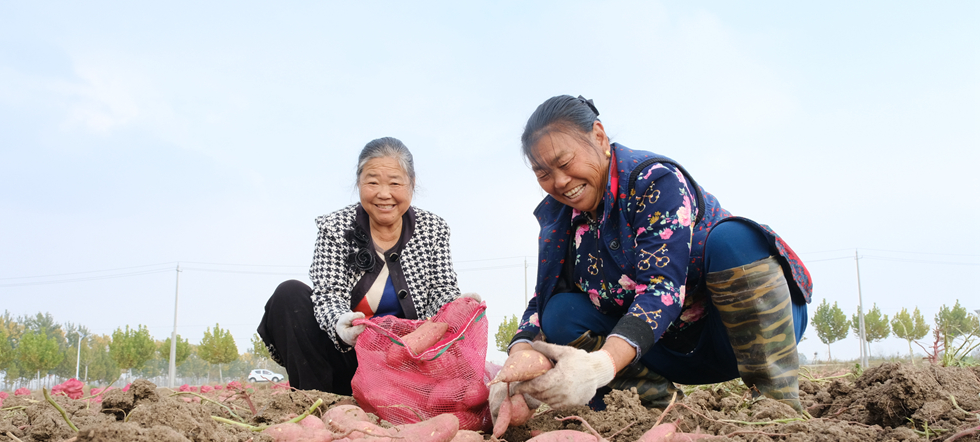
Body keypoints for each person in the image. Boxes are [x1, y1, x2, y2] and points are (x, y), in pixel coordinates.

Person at [490, 95, 812, 416]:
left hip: (742, 336)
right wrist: (518, 355)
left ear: (599, 137)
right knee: (559, 312)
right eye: (543, 173)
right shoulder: (561, 219)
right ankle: (652, 409)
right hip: (667, 353)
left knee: (734, 240)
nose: (559, 182)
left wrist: (600, 366)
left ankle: (777, 405)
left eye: (564, 162)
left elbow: (662, 291)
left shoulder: (654, 182)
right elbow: (542, 299)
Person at [258, 137, 474, 395]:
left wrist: (455, 306)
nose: (384, 194)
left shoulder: (433, 229)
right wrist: (341, 325)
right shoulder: (336, 227)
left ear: (412, 184)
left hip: (406, 366)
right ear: (359, 183)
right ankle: (316, 399)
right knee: (289, 294)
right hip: (349, 359)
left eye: (394, 183)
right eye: (372, 182)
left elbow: (441, 289)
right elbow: (328, 294)